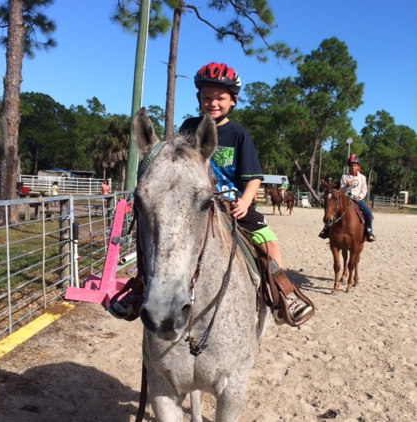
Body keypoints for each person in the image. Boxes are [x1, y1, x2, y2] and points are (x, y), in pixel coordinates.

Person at [109, 62, 313, 324]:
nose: (213, 103)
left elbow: (254, 178)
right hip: (192, 200)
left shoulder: (239, 134)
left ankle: (284, 295)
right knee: (159, 241)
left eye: (220, 98)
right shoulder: (189, 127)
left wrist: (246, 201)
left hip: (231, 202)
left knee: (268, 242)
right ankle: (139, 290)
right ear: (199, 99)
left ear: (233, 101)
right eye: (207, 97)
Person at [318, 154, 376, 242]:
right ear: (349, 167)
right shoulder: (344, 177)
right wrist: (346, 186)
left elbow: (364, 190)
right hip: (346, 198)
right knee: (332, 210)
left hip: (357, 199)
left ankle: (369, 231)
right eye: (351, 166)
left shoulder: (362, 178)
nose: (353, 167)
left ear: (358, 167)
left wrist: (359, 196)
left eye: (355, 166)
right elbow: (340, 190)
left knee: (368, 213)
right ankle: (326, 229)